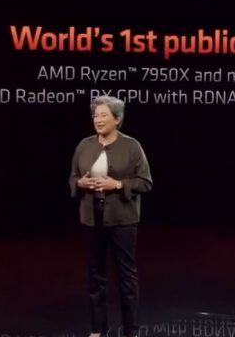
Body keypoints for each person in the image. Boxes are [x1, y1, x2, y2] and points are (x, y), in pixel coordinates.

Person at [69, 95, 153, 337]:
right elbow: (72, 177)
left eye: (104, 115)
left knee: (126, 277)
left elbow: (145, 182)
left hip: (122, 220)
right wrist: (80, 183)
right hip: (91, 219)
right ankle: (98, 329)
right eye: (95, 115)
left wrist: (117, 185)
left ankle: (131, 331)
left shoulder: (132, 146)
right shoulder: (84, 145)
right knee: (95, 276)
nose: (98, 119)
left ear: (117, 119)